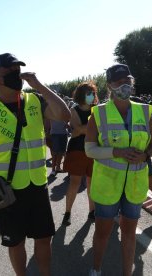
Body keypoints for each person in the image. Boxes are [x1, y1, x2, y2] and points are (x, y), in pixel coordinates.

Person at [0, 53, 70, 276]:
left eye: (18, 69)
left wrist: (38, 85)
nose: (16, 74)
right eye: (9, 71)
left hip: (38, 185)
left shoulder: (36, 100)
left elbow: (64, 116)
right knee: (15, 242)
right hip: (8, 190)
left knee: (44, 238)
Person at [85, 64, 152, 276]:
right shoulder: (98, 114)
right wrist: (116, 152)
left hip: (134, 185)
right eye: (119, 82)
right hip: (108, 186)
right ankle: (96, 269)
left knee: (129, 233)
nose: (124, 85)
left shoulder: (144, 111)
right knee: (102, 233)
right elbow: (90, 150)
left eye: (127, 81)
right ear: (109, 85)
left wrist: (146, 155)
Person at [62, 81, 98, 226]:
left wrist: (85, 128)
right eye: (89, 93)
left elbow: (81, 129)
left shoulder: (97, 109)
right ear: (81, 94)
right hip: (77, 149)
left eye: (93, 93)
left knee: (91, 182)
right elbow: (76, 130)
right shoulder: (74, 109)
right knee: (75, 182)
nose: (92, 95)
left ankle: (92, 212)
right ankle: (67, 213)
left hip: (94, 150)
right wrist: (92, 127)